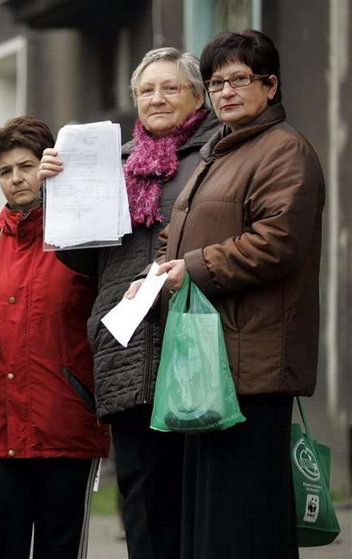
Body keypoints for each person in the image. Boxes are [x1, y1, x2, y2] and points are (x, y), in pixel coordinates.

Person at [126, 30, 324, 559]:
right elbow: (186, 234)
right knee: (214, 525)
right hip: (214, 362)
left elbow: (278, 241)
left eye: (240, 79)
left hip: (255, 363)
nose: (227, 92)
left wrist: (189, 267)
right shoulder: (223, 151)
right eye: (217, 83)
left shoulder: (283, 151)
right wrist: (155, 273)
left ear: (270, 84)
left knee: (244, 523)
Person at [39, 48, 219, 559]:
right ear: (135, 100)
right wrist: (59, 192)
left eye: (170, 88)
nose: (157, 98)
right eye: (146, 90)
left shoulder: (219, 153)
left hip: (194, 341)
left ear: (196, 95)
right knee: (143, 501)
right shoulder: (111, 161)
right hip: (127, 345)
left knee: (200, 500)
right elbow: (79, 257)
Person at [0, 115, 110, 559]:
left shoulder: (83, 237)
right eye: (5, 171)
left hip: (66, 422)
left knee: (60, 549)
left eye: (26, 166)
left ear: (49, 165)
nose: (17, 179)